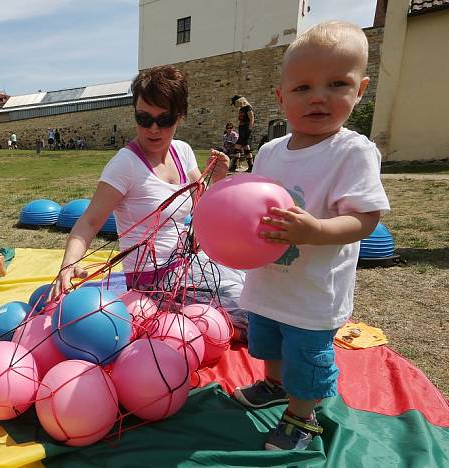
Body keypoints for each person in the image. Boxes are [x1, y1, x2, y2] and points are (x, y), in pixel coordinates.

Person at [231, 21, 390, 451]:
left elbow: (365, 219)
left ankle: (303, 417)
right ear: (282, 98)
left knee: (307, 355)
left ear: (360, 90)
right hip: (269, 280)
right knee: (267, 340)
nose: (318, 96)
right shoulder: (269, 151)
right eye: (302, 88)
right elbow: (252, 200)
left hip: (314, 290)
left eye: (337, 83)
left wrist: (316, 229)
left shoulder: (352, 152)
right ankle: (274, 385)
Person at [52, 65, 229, 298]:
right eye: (143, 118)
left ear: (180, 116)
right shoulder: (125, 164)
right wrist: (68, 264)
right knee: (241, 310)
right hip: (149, 281)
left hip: (185, 264)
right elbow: (90, 221)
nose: (153, 129)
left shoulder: (182, 151)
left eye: (164, 120)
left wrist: (217, 180)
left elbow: (204, 206)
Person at [231, 94, 255, 171]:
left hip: (246, 129)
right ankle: (251, 166)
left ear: (238, 101)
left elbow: (251, 118)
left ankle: (234, 166)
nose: (234, 105)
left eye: (235, 103)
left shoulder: (248, 108)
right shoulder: (241, 109)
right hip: (242, 129)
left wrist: (249, 130)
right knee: (246, 147)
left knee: (237, 147)